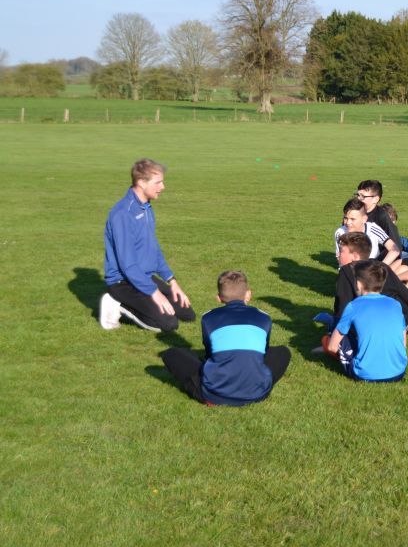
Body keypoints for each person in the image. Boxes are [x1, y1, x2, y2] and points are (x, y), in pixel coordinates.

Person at [160, 271, 290, 406]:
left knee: (171, 354)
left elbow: (209, 353)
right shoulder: (264, 317)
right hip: (257, 393)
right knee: (283, 352)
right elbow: (264, 352)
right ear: (248, 294)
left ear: (219, 297)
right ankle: (254, 383)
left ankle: (216, 390)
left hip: (215, 394)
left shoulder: (208, 318)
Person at [100, 158, 195, 332]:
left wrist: (172, 281)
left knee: (187, 314)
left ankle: (146, 299)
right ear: (141, 182)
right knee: (168, 324)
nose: (163, 187)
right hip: (123, 282)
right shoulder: (123, 214)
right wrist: (154, 292)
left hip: (144, 277)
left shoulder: (146, 207)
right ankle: (118, 303)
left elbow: (154, 248)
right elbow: (127, 265)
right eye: (158, 182)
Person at [320, 260, 408, 382]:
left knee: (331, 335)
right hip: (399, 372)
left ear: (358, 284)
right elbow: (403, 342)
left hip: (364, 374)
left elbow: (332, 347)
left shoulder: (354, 305)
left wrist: (331, 345)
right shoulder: (395, 304)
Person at [330, 231, 408, 329]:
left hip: (375, 326)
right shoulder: (381, 266)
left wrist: (334, 330)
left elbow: (342, 307)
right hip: (401, 322)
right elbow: (405, 294)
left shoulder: (346, 271)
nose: (337, 254)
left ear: (355, 256)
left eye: (341, 251)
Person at [333, 198, 399, 266]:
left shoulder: (373, 228)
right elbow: (340, 258)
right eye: (345, 218)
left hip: (372, 267)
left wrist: (380, 267)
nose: (348, 222)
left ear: (364, 219)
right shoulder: (340, 232)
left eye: (352, 219)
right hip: (350, 269)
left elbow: (394, 250)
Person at [355, 180, 401, 248]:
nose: (358, 198)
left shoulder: (382, 216)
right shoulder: (353, 212)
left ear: (375, 199)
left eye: (363, 196)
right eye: (358, 195)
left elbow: (395, 246)